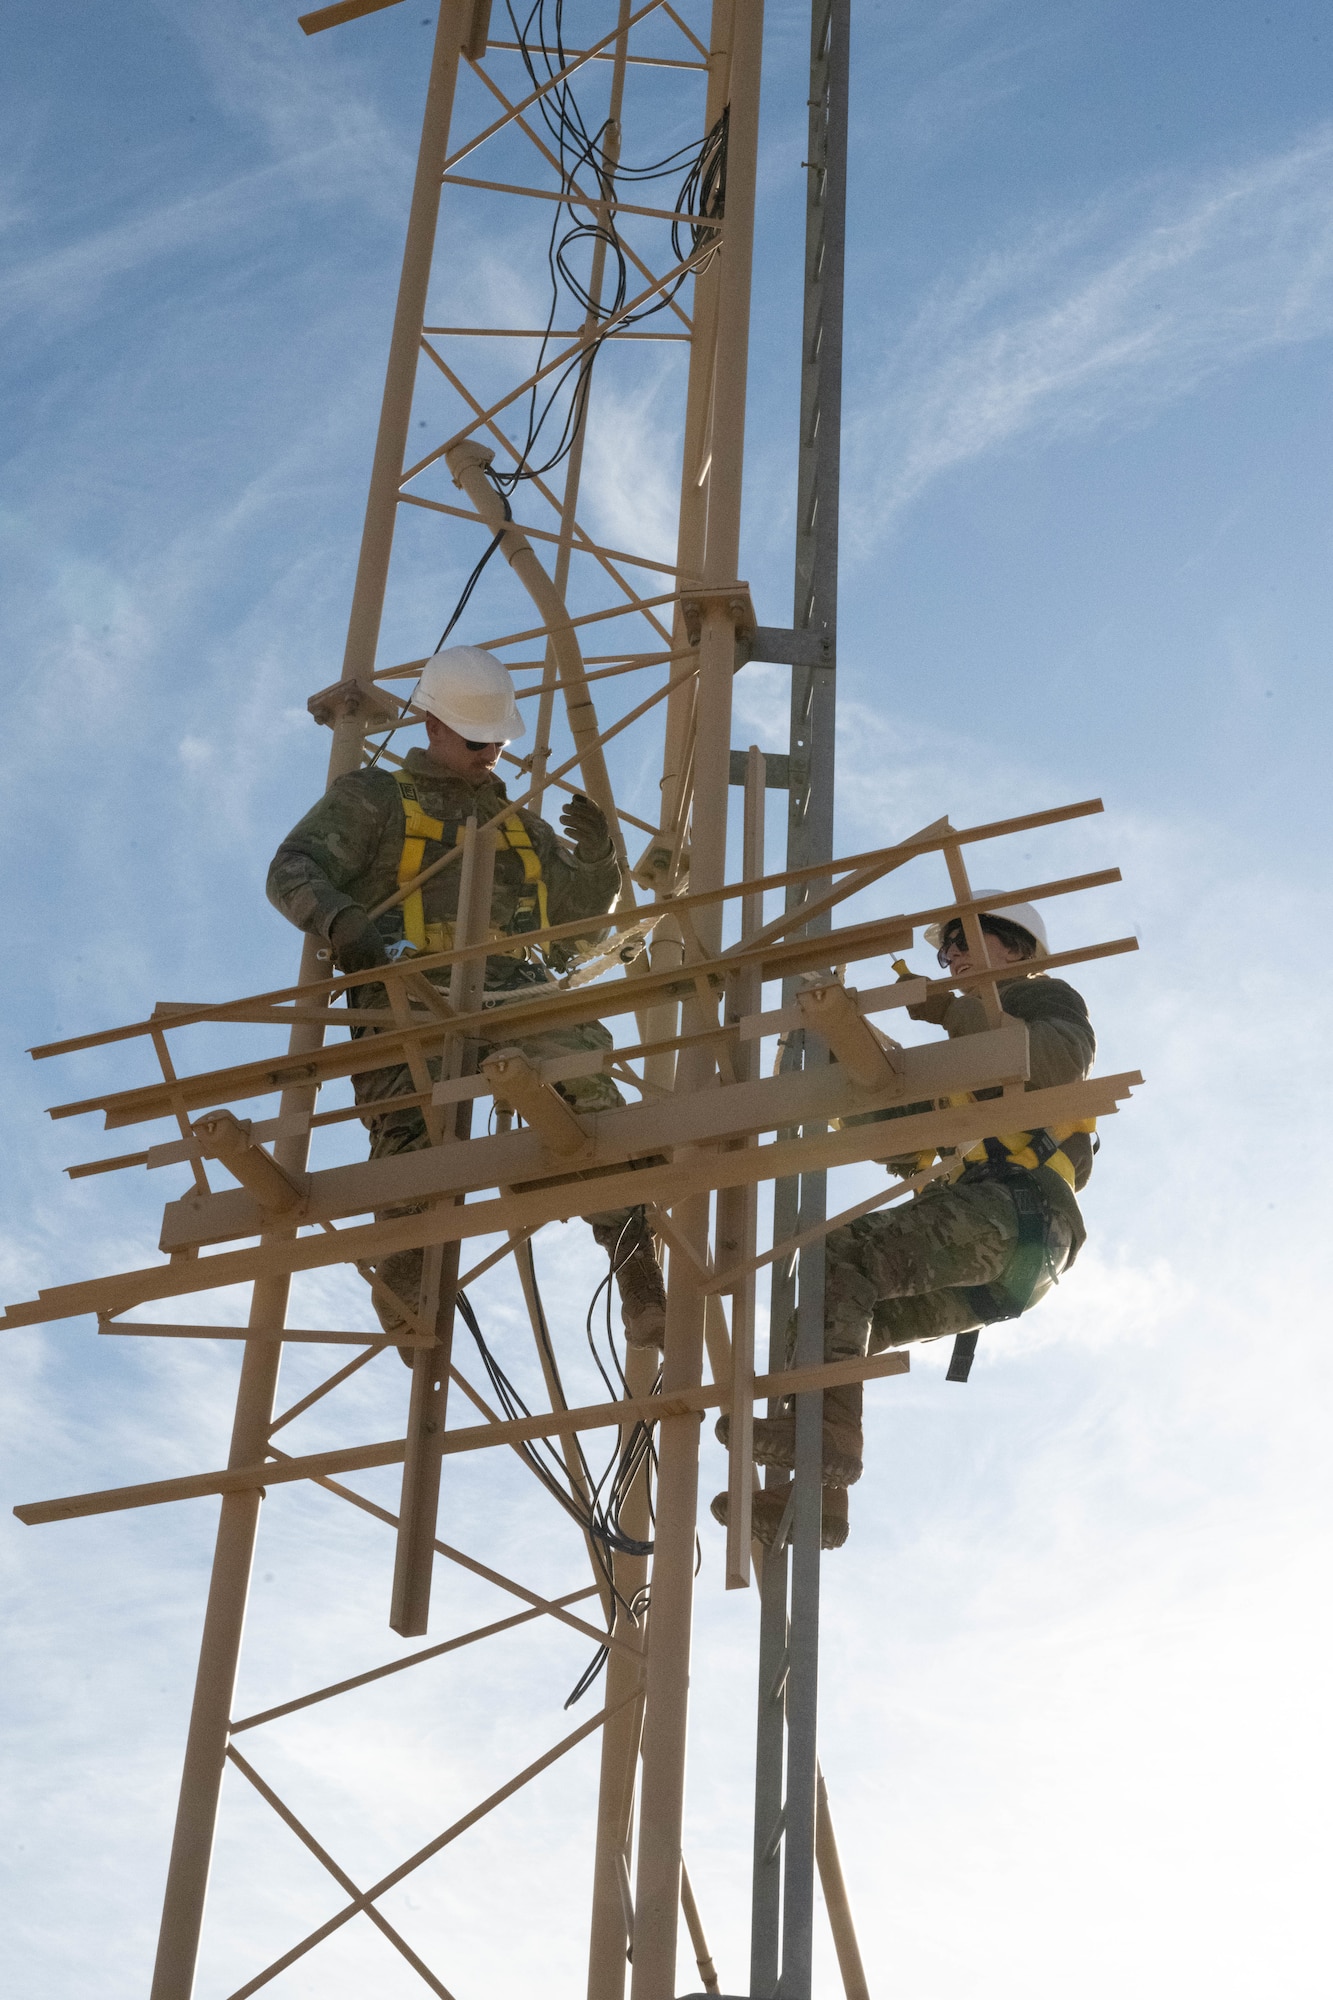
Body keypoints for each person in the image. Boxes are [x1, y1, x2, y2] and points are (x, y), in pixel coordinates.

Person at [266, 644, 667, 1352]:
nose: (491, 756)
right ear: (433, 727)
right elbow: (293, 868)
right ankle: (408, 1273)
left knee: (589, 1096)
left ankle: (634, 1261)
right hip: (408, 981)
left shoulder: (513, 818)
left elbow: (574, 919)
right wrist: (342, 923)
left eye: (498, 744)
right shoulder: (374, 797)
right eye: (478, 742)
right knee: (411, 1131)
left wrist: (599, 864)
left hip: (514, 983)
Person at [713, 898, 1097, 1550]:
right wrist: (828, 1061)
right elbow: (894, 1141)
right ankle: (818, 1496)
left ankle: (829, 1439)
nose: (946, 957)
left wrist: (952, 1009)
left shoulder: (1048, 1000)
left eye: (962, 943)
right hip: (998, 1261)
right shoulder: (954, 1079)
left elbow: (1052, 1060)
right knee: (828, 1318)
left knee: (838, 1256)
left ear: (1017, 952)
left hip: (1018, 1216)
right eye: (943, 948)